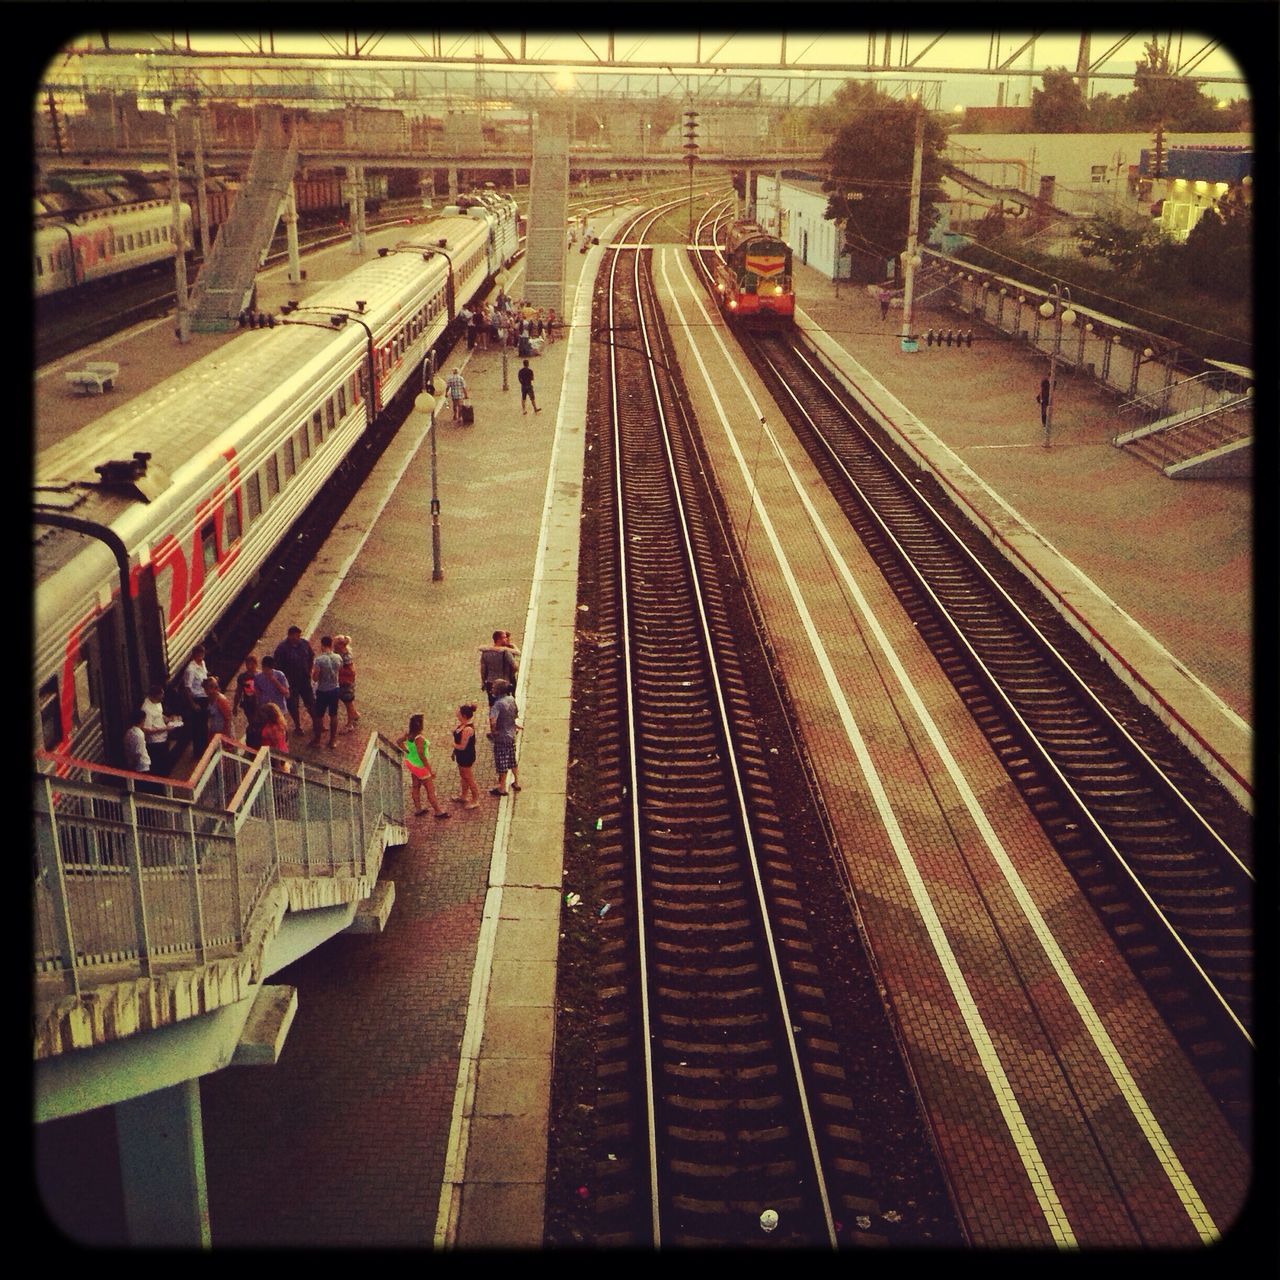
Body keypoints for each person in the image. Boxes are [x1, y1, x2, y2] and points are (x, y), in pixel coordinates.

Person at [396, 713, 449, 819]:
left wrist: (407, 751)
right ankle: (438, 811)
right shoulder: (419, 739)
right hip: (421, 767)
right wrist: (430, 770)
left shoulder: (409, 734)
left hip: (412, 764)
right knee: (430, 790)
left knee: (416, 786)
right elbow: (422, 756)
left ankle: (418, 809)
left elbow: (399, 741)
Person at [273, 625, 315, 735]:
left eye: (299, 636)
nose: (298, 638)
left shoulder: (304, 644)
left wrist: (309, 670)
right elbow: (277, 667)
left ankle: (316, 722)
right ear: (290, 635)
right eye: (296, 636)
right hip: (290, 682)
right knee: (293, 705)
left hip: (304, 680)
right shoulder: (281, 649)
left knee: (310, 702)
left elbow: (311, 656)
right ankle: (298, 726)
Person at [488, 680, 521, 796]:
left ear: (498, 690)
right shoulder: (511, 699)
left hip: (501, 737)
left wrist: (494, 731)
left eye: (493, 687)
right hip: (511, 735)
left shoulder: (497, 704)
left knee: (502, 763)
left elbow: (493, 720)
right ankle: (516, 782)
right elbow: (516, 714)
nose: (491, 689)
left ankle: (502, 788)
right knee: (512, 759)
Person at [310, 634, 342, 749]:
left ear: (322, 645)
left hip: (323, 690)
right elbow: (340, 670)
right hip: (335, 689)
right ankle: (332, 740)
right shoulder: (338, 658)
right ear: (331, 645)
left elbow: (315, 678)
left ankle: (318, 739)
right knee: (333, 715)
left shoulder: (319, 660)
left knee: (319, 715)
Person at [450, 704, 481, 809]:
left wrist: (451, 744)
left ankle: (476, 799)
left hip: (466, 756)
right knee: (463, 776)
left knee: (468, 778)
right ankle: (463, 795)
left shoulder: (468, 729)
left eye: (459, 712)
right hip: (461, 755)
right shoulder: (462, 725)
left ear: (463, 715)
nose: (457, 713)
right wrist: (454, 751)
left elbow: (462, 746)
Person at [181, 644, 210, 754]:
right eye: (199, 655)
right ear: (194, 655)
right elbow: (187, 688)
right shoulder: (191, 669)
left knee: (204, 726)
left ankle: (205, 749)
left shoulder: (202, 663)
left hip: (205, 697)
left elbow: (205, 677)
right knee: (198, 726)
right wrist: (193, 704)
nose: (201, 657)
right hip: (197, 699)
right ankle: (198, 751)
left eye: (202, 654)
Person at [141, 682, 174, 776]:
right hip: (155, 743)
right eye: (160, 697)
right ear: (154, 696)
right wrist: (165, 729)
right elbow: (147, 729)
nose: (162, 699)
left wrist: (169, 719)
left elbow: (159, 714)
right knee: (160, 768)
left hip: (163, 739)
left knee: (166, 766)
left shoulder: (157, 702)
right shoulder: (146, 709)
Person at [479, 630, 520, 706]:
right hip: (504, 682)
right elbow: (515, 666)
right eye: (504, 638)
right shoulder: (505, 652)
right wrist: (510, 675)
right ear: (498, 640)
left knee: (492, 704)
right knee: (506, 704)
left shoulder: (485, 653)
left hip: (490, 682)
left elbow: (483, 670)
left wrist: (483, 681)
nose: (506, 639)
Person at [334, 635, 360, 731]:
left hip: (346, 683)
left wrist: (338, 669)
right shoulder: (339, 653)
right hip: (343, 681)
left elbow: (351, 671)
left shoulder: (345, 656)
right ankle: (355, 714)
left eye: (335, 643)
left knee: (348, 702)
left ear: (340, 645)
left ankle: (350, 724)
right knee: (348, 702)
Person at [259, 703, 291, 771]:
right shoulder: (281, 724)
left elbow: (276, 747)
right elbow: (285, 740)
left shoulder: (272, 729)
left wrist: (277, 765)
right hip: (283, 751)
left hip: (274, 757)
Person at [203, 676, 233, 744]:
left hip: (223, 733)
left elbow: (228, 718)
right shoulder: (210, 699)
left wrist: (226, 736)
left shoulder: (221, 700)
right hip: (214, 732)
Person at [233, 655, 260, 729]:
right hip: (248, 704)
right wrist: (235, 706)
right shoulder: (242, 677)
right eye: (248, 664)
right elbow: (238, 692)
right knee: (252, 722)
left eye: (252, 664)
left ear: (256, 664)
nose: (249, 666)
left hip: (260, 703)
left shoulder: (261, 676)